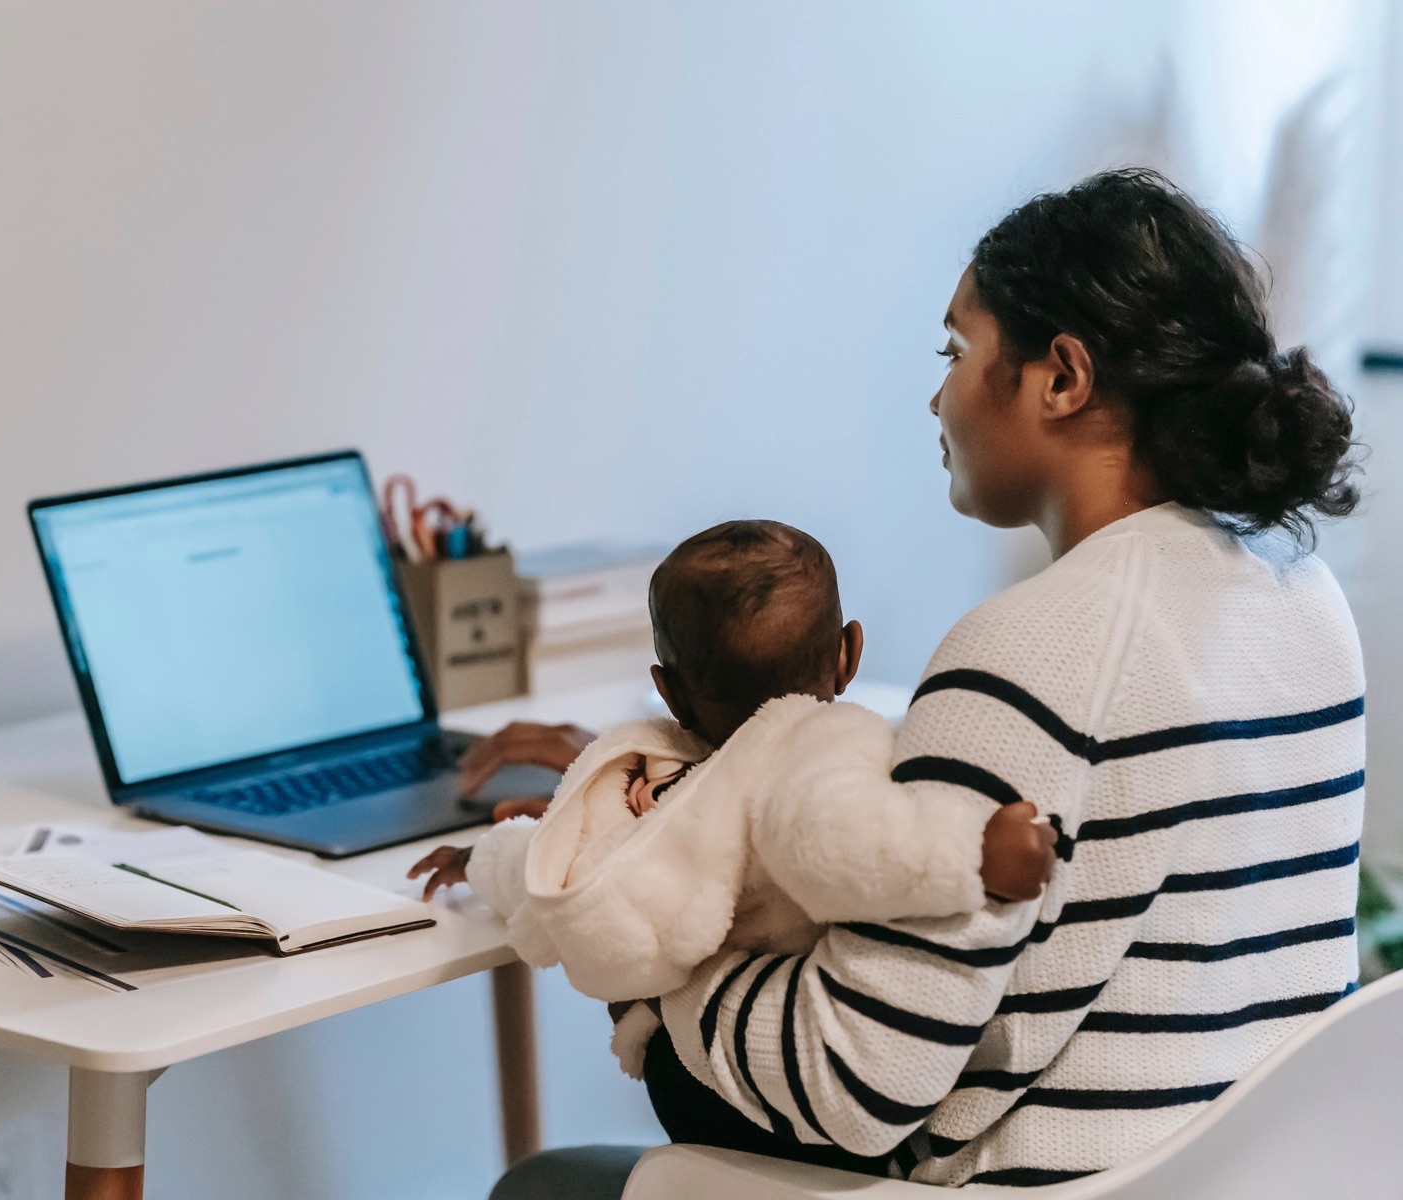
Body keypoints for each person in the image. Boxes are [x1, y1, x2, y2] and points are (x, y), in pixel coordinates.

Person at [481, 168, 1365, 1196]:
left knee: (548, 1184)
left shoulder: (1032, 644)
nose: (937, 395)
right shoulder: (1302, 597)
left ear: (1061, 379)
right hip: (1240, 1175)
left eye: (957, 351)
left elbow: (854, 1084)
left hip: (1027, 1185)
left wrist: (645, 915)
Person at [410, 521, 1056, 1078]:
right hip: (770, 1074)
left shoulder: (657, 796)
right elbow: (853, 844)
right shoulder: (817, 756)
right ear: (849, 654)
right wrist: (975, 853)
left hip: (705, 1073)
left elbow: (550, 877)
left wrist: (478, 860)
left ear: (669, 692)